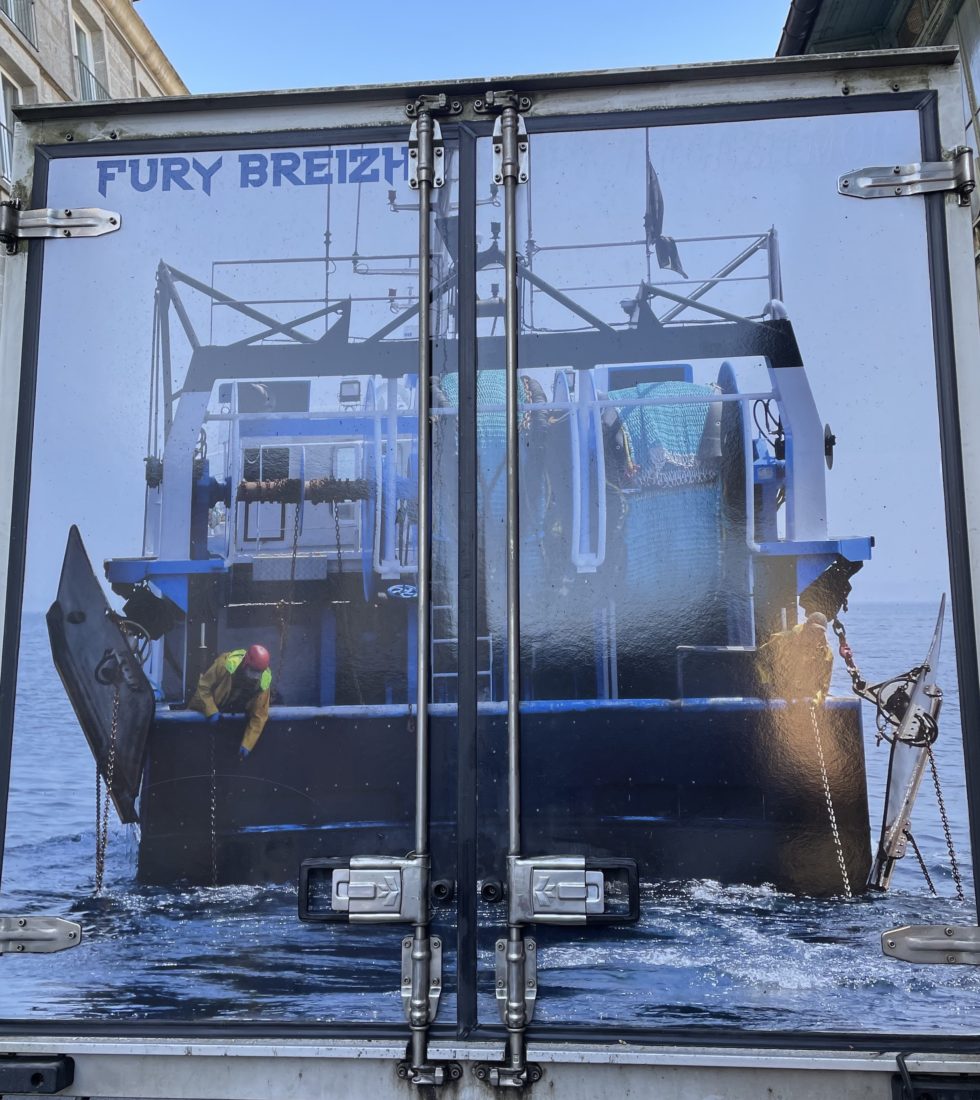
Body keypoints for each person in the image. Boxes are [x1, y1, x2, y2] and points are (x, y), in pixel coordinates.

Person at [188, 644, 272, 759]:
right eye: (252, 671)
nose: (255, 677)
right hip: (204, 717)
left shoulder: (264, 682)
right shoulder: (224, 664)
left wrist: (247, 744)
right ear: (246, 662)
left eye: (258, 673)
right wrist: (211, 711)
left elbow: (260, 715)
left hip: (229, 726)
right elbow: (203, 688)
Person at [756, 612, 833, 702]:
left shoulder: (826, 654)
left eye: (819, 633)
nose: (814, 636)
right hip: (777, 692)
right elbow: (759, 658)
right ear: (805, 627)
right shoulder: (781, 640)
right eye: (812, 631)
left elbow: (823, 685)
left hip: (803, 697)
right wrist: (766, 683)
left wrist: (816, 701)